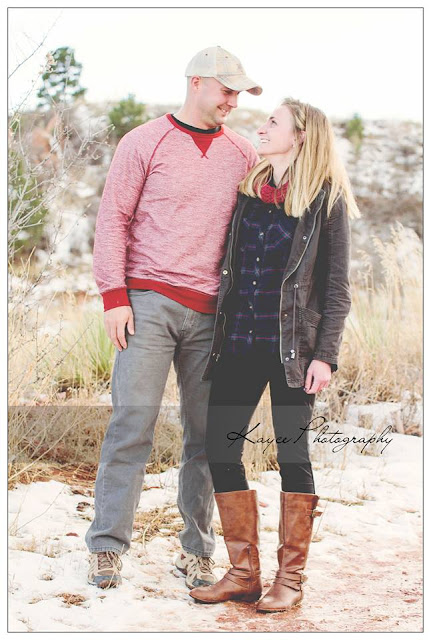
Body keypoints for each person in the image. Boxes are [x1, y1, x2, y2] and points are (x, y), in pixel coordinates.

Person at [85, 46, 262, 590]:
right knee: (131, 426)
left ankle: (197, 552)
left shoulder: (243, 153)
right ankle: (107, 546)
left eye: (239, 93)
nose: (233, 101)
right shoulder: (143, 141)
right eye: (226, 90)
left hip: (213, 316)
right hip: (148, 305)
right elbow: (113, 219)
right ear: (196, 82)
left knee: (206, 439)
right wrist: (114, 296)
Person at [189, 98, 360, 612]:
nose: (261, 128)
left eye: (273, 122)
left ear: (301, 135)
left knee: (292, 455)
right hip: (239, 345)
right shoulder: (249, 193)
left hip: (293, 354)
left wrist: (324, 355)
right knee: (222, 449)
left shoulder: (326, 201)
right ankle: (243, 573)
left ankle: (290, 579)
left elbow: (336, 288)